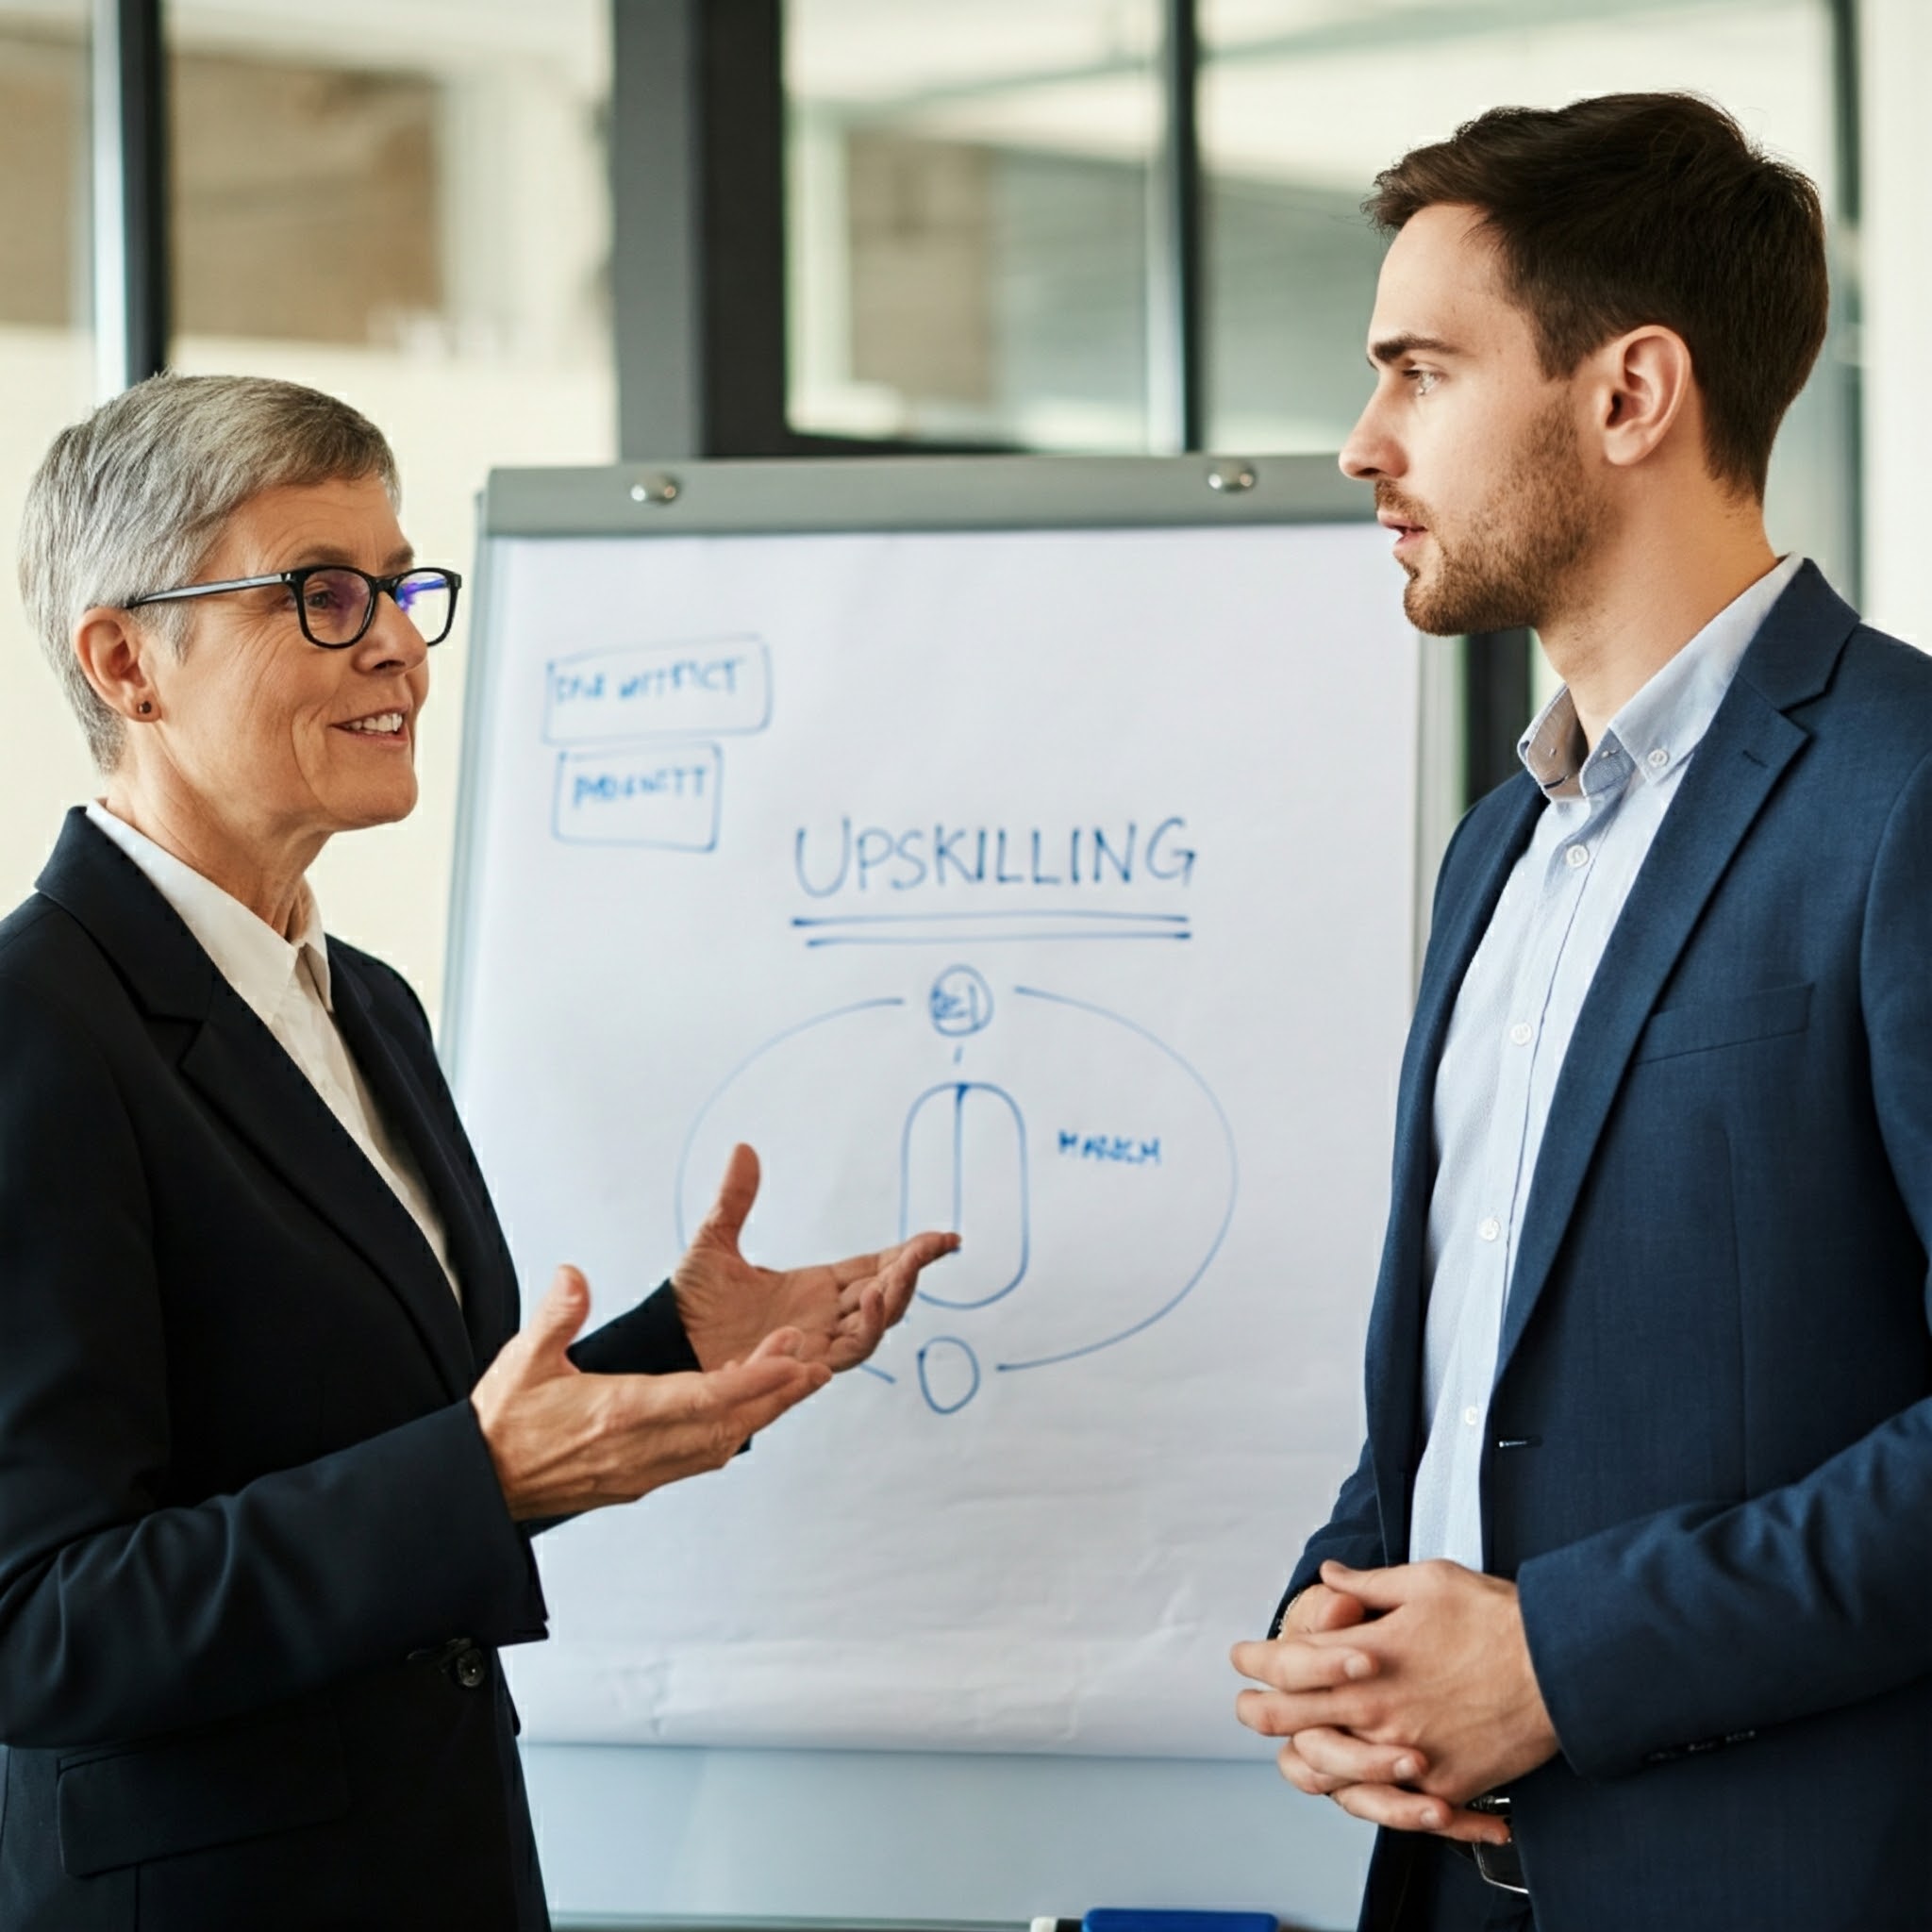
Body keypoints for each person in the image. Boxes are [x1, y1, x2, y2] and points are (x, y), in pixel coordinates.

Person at [0, 373, 958, 1932]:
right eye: (320, 594)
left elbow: (389, 1444)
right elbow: (39, 1625)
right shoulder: (37, 1026)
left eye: (398, 587)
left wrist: (671, 1350)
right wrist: (482, 1470)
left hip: (437, 1865)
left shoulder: (358, 1003)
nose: (393, 642)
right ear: (126, 661)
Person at [1230, 93, 1932, 1932]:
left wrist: (1563, 1657)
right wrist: (1343, 1606)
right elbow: (1488, 1364)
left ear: (1629, 394)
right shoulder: (1495, 852)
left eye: (1418, 372)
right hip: (1454, 1885)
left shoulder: (1904, 797)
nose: (1360, 442)